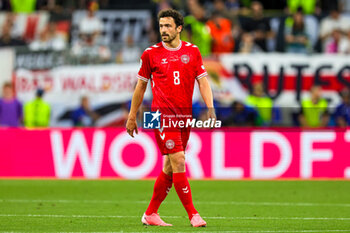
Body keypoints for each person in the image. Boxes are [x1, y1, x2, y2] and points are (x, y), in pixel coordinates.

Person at [126, 9, 215, 227]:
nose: (163, 30)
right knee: (178, 159)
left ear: (179, 28)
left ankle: (150, 214)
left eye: (168, 26)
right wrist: (132, 116)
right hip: (160, 116)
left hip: (184, 116)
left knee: (168, 166)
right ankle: (193, 214)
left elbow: (203, 81)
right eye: (161, 26)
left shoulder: (193, 52)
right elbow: (140, 86)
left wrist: (210, 106)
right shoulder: (150, 54)